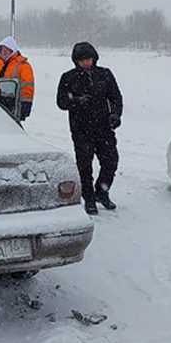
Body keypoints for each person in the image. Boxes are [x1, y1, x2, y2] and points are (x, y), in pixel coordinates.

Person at [57, 42, 123, 215]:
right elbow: (61, 102)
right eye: (82, 60)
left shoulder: (105, 74)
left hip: (104, 127)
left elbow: (116, 97)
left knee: (111, 161)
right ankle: (89, 198)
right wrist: (77, 101)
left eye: (89, 59)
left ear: (94, 58)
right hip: (81, 129)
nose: (86, 63)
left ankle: (102, 191)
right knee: (85, 166)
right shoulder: (68, 78)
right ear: (76, 61)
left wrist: (116, 114)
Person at [0, 36, 34, 121]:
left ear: (12, 50)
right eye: (2, 49)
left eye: (7, 49)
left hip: (12, 104)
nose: (4, 52)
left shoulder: (23, 66)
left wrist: (25, 105)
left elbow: (27, 86)